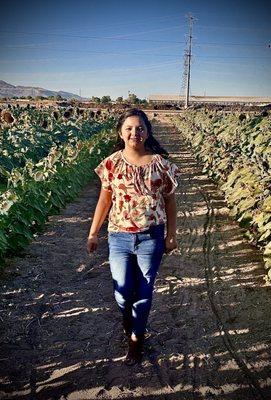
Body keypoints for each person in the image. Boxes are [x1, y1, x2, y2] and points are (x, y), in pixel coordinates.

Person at [87, 108, 180, 365]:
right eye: (129, 128)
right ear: (121, 132)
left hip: (151, 237)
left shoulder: (161, 164)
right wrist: (93, 232)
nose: (134, 133)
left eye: (139, 128)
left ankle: (136, 339)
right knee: (122, 292)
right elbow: (105, 199)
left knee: (144, 290)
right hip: (118, 236)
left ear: (147, 132)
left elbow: (170, 202)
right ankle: (130, 323)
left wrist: (171, 236)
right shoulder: (111, 163)